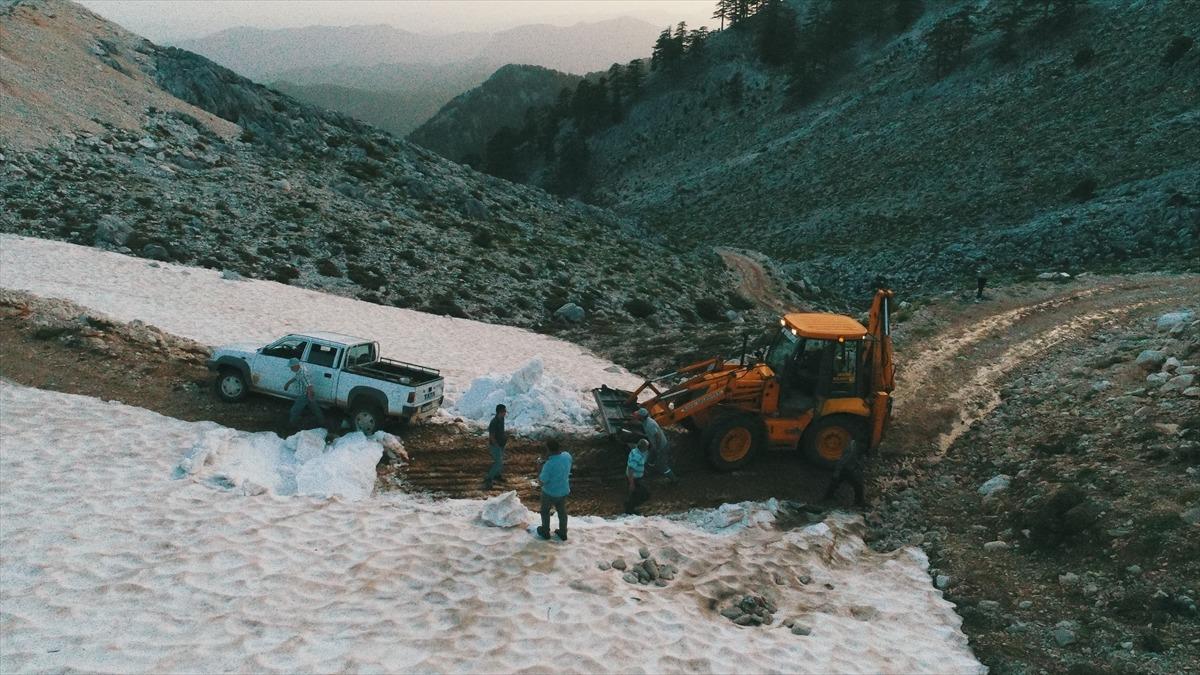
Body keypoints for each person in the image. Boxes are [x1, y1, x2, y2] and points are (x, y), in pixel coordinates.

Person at [536, 439, 572, 541]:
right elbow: (560, 464)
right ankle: (563, 532)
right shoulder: (567, 456)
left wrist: (539, 468)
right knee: (562, 512)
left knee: (545, 511)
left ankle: (545, 531)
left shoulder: (548, 465)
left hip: (550, 493)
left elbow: (542, 481)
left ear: (548, 450)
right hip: (564, 490)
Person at [632, 407, 676, 482]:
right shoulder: (645, 421)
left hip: (662, 446)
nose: (637, 416)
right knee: (650, 459)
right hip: (655, 445)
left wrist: (657, 449)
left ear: (641, 417)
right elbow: (637, 422)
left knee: (661, 465)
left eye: (638, 415)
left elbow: (658, 436)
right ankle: (650, 472)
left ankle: (674, 479)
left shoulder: (650, 425)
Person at [823, 439, 867, 508]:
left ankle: (827, 497)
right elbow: (843, 461)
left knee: (835, 483)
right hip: (846, 469)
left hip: (846, 469)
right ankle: (858, 502)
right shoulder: (852, 450)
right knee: (858, 486)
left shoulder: (853, 445)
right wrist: (837, 471)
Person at [284, 357, 325, 429]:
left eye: (291, 367)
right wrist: (288, 383)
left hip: (304, 395)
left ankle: (291, 426)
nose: (290, 369)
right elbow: (297, 377)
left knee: (294, 410)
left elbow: (309, 386)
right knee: (315, 409)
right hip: (308, 394)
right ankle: (322, 423)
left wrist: (309, 396)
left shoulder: (303, 373)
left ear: (296, 366)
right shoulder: (300, 370)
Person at [482, 403, 507, 489]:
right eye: (504, 411)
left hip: (501, 444)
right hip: (495, 445)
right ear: (500, 412)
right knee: (498, 462)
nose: (505, 412)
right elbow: (491, 436)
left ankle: (497, 475)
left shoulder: (502, 419)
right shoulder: (494, 422)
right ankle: (488, 478)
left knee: (501, 461)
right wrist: (496, 445)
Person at [624, 439, 651, 514]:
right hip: (634, 478)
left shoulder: (635, 451)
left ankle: (630, 508)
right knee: (645, 493)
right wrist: (631, 483)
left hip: (635, 477)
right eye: (647, 447)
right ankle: (629, 509)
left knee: (635, 494)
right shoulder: (637, 456)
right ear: (644, 448)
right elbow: (630, 469)